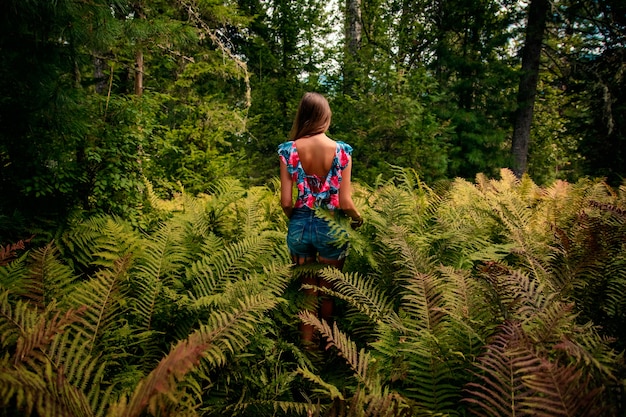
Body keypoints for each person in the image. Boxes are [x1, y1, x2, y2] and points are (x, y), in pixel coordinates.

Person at [277, 92, 363, 345]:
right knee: (328, 293)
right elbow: (345, 202)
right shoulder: (342, 152)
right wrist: (358, 219)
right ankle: (329, 348)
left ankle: (307, 351)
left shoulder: (289, 150)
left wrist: (297, 220)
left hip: (300, 226)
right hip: (332, 226)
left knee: (308, 293)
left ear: (302, 117)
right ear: (325, 117)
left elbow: (285, 202)